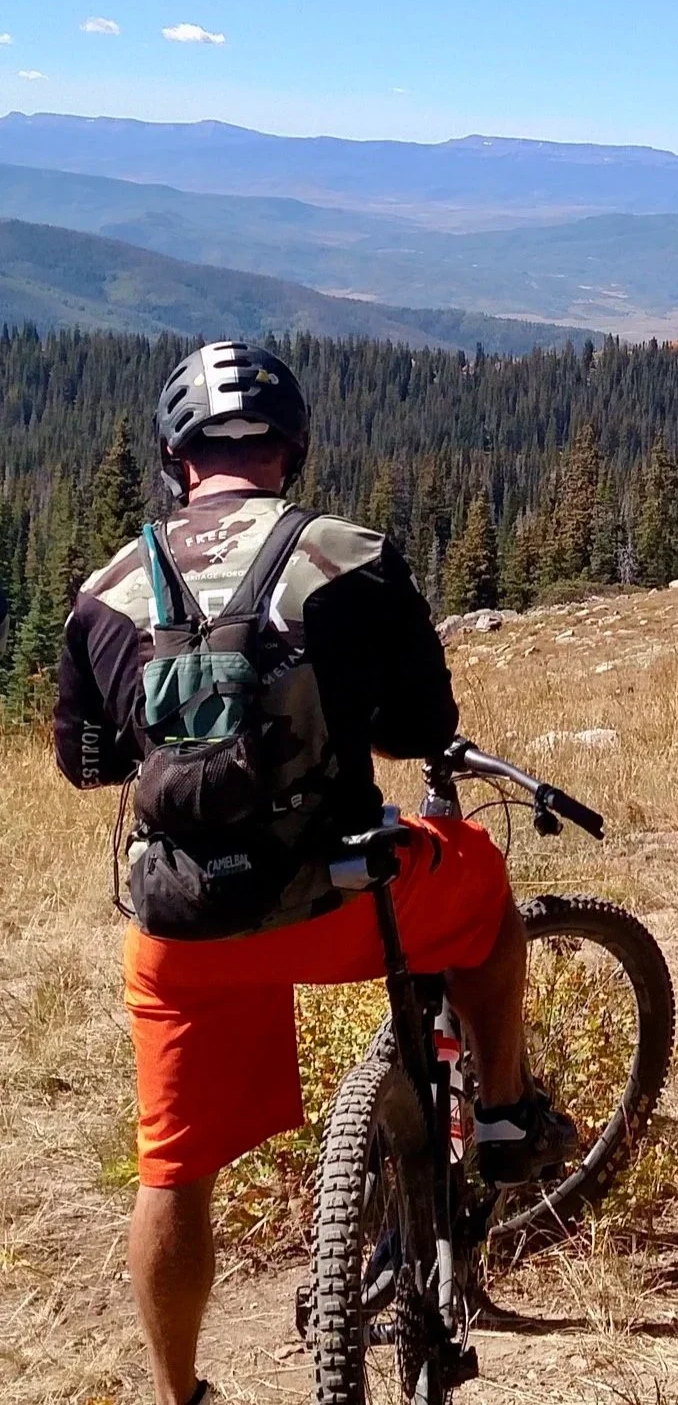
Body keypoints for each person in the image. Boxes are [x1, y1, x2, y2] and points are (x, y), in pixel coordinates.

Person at [51, 341, 571, 1405]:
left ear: (174, 456)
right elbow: (423, 727)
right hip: (338, 905)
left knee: (172, 1170)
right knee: (480, 886)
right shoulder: (347, 557)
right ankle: (507, 1111)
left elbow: (86, 762)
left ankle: (178, 1392)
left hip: (182, 928)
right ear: (290, 449)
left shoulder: (107, 588)